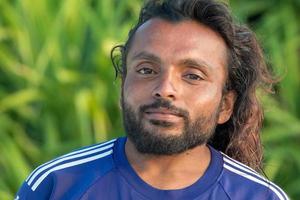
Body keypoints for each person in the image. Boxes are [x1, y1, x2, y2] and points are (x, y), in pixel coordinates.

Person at [16, 0, 289, 199]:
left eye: (193, 75)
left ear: (225, 105)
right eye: (146, 70)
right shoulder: (56, 185)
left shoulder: (260, 196)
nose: (165, 88)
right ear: (123, 86)